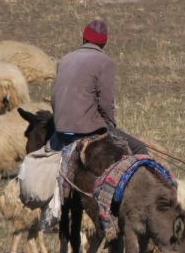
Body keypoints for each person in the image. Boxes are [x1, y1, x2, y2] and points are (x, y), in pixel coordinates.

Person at [50, 20, 145, 154]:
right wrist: (110, 124)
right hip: (87, 131)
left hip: (60, 128)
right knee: (139, 148)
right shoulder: (105, 62)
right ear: (104, 43)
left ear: (84, 38)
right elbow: (105, 102)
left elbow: (54, 98)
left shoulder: (65, 59)